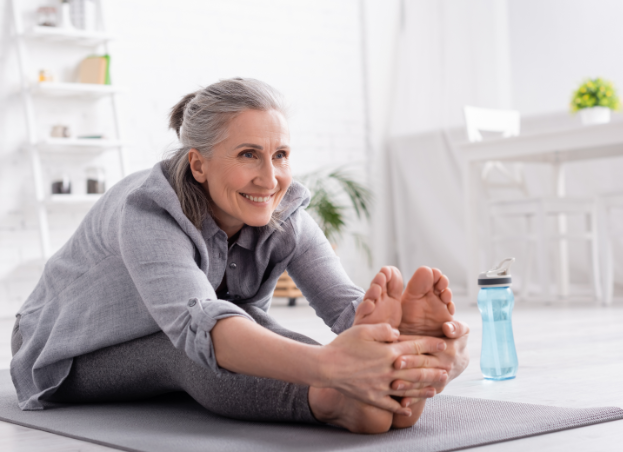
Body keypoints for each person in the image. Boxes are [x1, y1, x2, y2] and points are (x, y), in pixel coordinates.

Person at [9, 78, 469, 434]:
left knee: (258, 328)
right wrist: (332, 368)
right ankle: (332, 401)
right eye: (249, 155)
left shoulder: (286, 216)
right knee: (196, 342)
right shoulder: (147, 210)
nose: (270, 178)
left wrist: (420, 352)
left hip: (196, 330)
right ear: (198, 164)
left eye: (281, 155)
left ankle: (390, 390)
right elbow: (201, 326)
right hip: (67, 354)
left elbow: (349, 310)